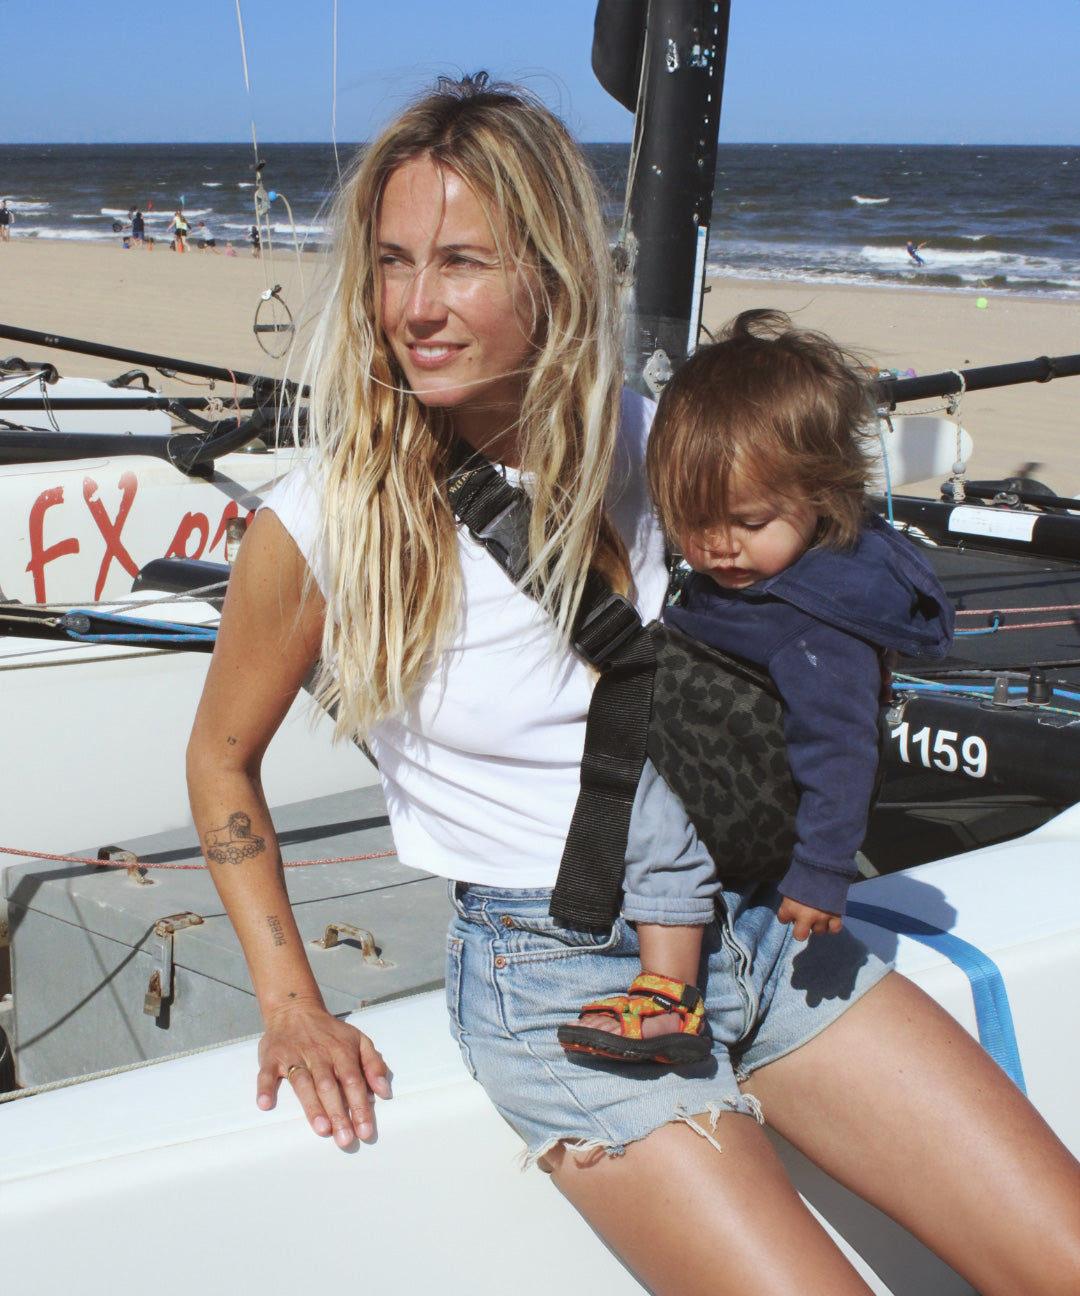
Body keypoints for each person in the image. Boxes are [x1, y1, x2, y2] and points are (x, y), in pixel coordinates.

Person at [186, 76, 1080, 1296]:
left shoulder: (661, 445)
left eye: (460, 263)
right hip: (560, 979)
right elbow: (219, 758)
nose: (416, 307)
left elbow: (823, 561)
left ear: (549, 275)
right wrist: (291, 1003)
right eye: (393, 263)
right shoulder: (329, 521)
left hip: (758, 929)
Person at [558, 311, 954, 1066]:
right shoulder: (770, 569)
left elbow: (842, 750)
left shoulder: (817, 623)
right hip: (736, 768)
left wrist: (823, 872)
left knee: (655, 817)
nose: (717, 546)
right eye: (693, 522)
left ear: (825, 494)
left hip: (753, 810)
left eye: (748, 521)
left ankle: (667, 988)